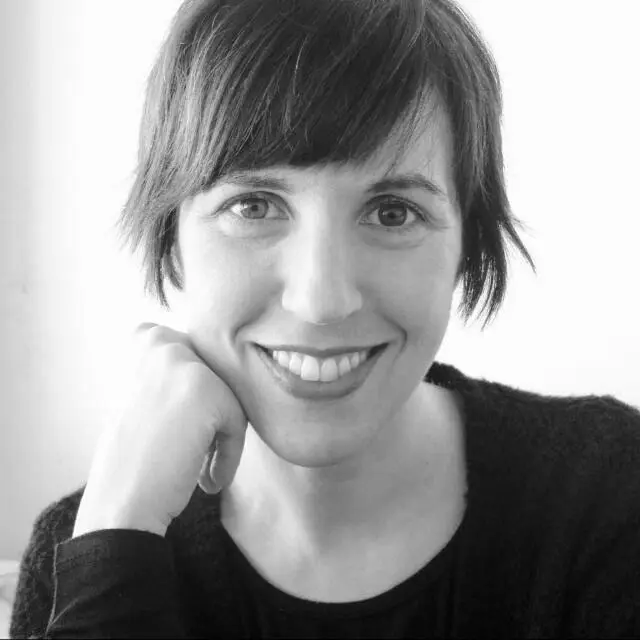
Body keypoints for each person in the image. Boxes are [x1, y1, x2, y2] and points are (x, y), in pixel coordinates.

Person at [9, 0, 640, 637]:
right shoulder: (86, 550)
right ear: (172, 239)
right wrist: (114, 542)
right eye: (254, 206)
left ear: (467, 245)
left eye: (392, 213)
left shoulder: (609, 495)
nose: (321, 300)